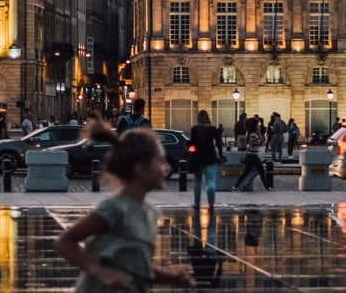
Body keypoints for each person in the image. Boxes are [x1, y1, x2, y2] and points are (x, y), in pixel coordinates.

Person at [55, 121, 195, 291]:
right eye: (160, 161)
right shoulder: (115, 208)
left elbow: (138, 269)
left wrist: (172, 278)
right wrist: (98, 271)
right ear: (141, 169)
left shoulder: (151, 213)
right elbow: (65, 242)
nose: (166, 168)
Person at [188, 110, 224, 211]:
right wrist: (220, 155)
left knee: (197, 181)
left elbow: (192, 144)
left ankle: (197, 203)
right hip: (210, 157)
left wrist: (189, 149)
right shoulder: (212, 129)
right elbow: (219, 143)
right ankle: (211, 203)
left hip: (197, 158)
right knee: (210, 180)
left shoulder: (194, 129)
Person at [233, 121, 271, 192]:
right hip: (253, 155)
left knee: (246, 172)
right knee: (261, 171)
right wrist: (261, 141)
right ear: (255, 126)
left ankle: (235, 186)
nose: (259, 126)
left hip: (252, 155)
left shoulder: (255, 133)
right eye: (258, 124)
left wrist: (261, 138)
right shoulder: (253, 134)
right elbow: (252, 143)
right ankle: (267, 187)